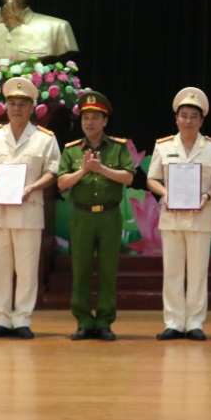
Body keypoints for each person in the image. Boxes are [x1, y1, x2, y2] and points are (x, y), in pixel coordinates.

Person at [0, 77, 60, 339]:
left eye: (22, 104)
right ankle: (1, 318)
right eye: (12, 104)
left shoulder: (44, 138)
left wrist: (32, 187)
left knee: (27, 269)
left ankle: (22, 319)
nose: (16, 109)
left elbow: (53, 171)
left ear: (32, 108)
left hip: (28, 210)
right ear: (5, 107)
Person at [146, 87, 211, 341]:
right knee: (172, 271)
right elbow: (152, 178)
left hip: (200, 217)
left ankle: (194, 323)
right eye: (184, 115)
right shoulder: (163, 146)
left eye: (194, 116)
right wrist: (166, 193)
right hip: (171, 217)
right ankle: (173, 322)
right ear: (176, 118)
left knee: (197, 273)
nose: (188, 121)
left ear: (201, 120)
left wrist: (206, 196)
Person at [57, 91, 135, 341]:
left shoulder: (118, 147)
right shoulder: (71, 150)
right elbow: (61, 183)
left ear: (105, 121)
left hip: (109, 216)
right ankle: (83, 320)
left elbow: (128, 177)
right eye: (85, 118)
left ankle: (104, 321)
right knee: (80, 270)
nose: (89, 122)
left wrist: (101, 169)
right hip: (82, 217)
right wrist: (83, 170)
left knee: (107, 271)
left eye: (95, 118)